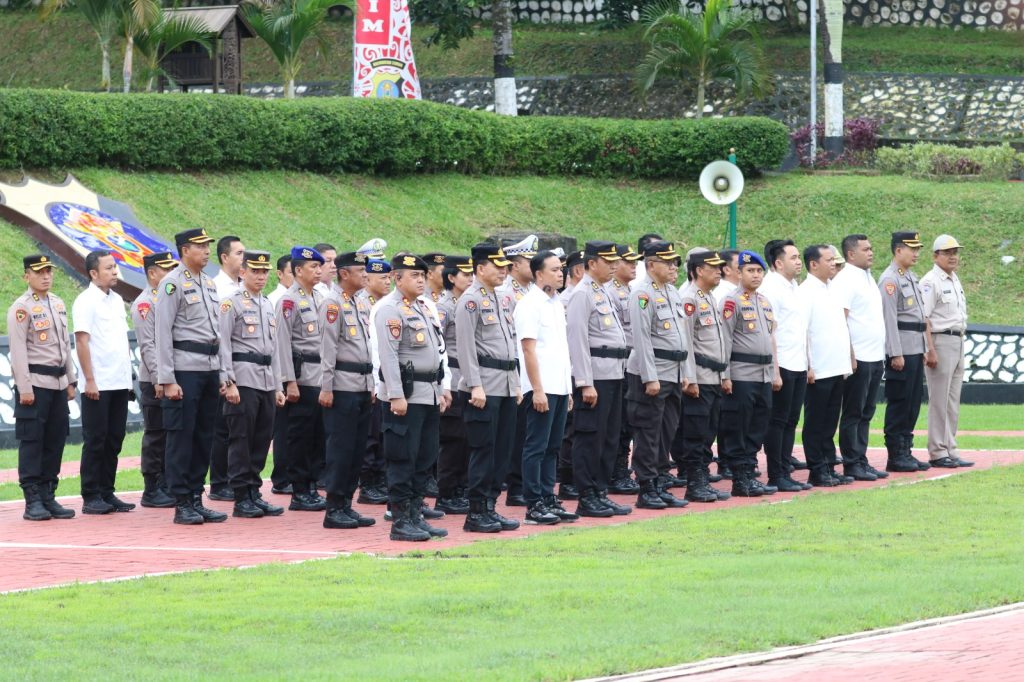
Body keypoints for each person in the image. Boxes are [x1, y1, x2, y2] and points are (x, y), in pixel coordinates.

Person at [155, 228, 228, 525]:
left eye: (208, 245)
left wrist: (223, 373)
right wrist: (167, 378)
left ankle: (196, 496)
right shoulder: (172, 283)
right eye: (201, 246)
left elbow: (218, 334)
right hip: (184, 369)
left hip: (209, 367)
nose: (207, 250)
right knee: (181, 437)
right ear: (185, 250)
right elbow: (162, 331)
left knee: (203, 437)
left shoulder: (209, 283)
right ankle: (182, 501)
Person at [375, 254, 448, 541]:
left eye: (422, 275)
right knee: (402, 457)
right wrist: (396, 395)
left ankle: (416, 514)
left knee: (424, 457)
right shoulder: (389, 310)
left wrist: (440, 391)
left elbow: (436, 352)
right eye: (413, 275)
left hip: (428, 393)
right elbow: (389, 356)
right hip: (406, 395)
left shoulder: (423, 308)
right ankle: (401, 519)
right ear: (397, 278)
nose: (420, 280)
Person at [456, 243, 523, 533]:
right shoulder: (470, 300)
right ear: (480, 268)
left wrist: (517, 383)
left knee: (502, 451)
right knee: (483, 450)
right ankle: (476, 511)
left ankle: (490, 507)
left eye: (505, 266)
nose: (503, 271)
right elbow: (466, 347)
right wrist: (475, 386)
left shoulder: (501, 299)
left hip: (506, 385)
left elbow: (510, 343)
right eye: (497, 266)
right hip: (484, 385)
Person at [8, 254, 78, 521]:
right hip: (35, 385)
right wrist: (24, 388)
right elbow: (18, 352)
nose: (46, 276)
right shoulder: (21, 308)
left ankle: (49, 495)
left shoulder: (58, 303)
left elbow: (64, 346)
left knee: (55, 440)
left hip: (58, 382)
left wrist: (70, 380)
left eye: (49, 271)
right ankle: (33, 499)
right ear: (27, 276)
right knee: (33, 442)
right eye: (39, 272)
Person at [217, 251, 286, 518]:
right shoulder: (230, 303)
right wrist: (228, 381)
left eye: (264, 272)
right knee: (241, 439)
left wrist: (278, 386)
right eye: (255, 271)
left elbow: (274, 348)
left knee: (261, 439)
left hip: (266, 379)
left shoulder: (267, 304)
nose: (260, 277)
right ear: (242, 272)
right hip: (243, 379)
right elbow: (222, 343)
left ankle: (253, 492)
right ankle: (240, 496)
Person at [566, 241, 632, 518]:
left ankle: (601, 491)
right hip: (595, 376)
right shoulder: (582, 294)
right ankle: (587, 495)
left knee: (609, 437)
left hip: (614, 372)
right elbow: (577, 339)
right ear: (592, 264)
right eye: (609, 261)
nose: (615, 265)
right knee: (590, 437)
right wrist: (584, 382)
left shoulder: (603, 292)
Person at [625, 240, 692, 510]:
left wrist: (685, 372)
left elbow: (682, 337)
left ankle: (661, 482)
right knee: (648, 433)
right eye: (668, 262)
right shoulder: (642, 294)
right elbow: (641, 339)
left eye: (675, 261)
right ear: (651, 265)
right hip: (651, 374)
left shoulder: (672, 292)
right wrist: (649, 377)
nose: (674, 266)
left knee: (666, 431)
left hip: (673, 372)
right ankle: (646, 487)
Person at [515, 250, 579, 525]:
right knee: (536, 446)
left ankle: (548, 496)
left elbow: (560, 349)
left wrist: (568, 389)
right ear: (538, 273)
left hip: (559, 386)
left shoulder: (555, 303)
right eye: (554, 269)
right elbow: (528, 350)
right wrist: (537, 389)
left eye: (561, 268)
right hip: (540, 387)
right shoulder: (530, 304)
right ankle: (534, 503)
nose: (560, 273)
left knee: (553, 447)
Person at [317, 251, 378, 529]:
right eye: (360, 270)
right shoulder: (332, 304)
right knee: (340, 449)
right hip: (342, 386)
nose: (366, 274)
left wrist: (373, 383)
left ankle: (347, 504)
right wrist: (326, 387)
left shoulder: (359, 303)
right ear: (344, 274)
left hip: (362, 385)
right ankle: (334, 507)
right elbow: (328, 348)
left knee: (356, 450)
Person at [73, 250, 135, 514]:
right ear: (94, 273)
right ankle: (91, 495)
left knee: (114, 438)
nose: (114, 272)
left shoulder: (117, 299)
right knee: (96, 439)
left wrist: (128, 378)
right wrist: (89, 380)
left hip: (119, 381)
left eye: (115, 267)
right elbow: (82, 341)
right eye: (108, 268)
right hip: (97, 383)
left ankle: (107, 492)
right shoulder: (85, 301)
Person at [720, 250, 780, 497]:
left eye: (759, 271)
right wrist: (725, 375)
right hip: (741, 373)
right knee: (739, 427)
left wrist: (775, 372)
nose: (756, 275)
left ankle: (750, 471)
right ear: (738, 273)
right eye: (750, 271)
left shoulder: (764, 301)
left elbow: (770, 338)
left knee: (758, 426)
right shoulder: (731, 301)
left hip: (763, 374)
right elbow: (723, 339)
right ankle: (740, 478)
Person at [831, 234, 889, 482]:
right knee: (853, 412)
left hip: (875, 355)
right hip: (859, 357)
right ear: (850, 254)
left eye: (871, 247)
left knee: (867, 411)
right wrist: (851, 355)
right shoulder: (845, 280)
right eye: (865, 249)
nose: (871, 252)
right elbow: (841, 319)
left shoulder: (867, 277)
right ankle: (851, 462)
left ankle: (861, 459)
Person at [677, 249, 732, 503]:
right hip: (699, 375)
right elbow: (686, 341)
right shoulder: (689, 298)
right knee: (695, 433)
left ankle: (702, 478)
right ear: (699, 270)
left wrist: (724, 375)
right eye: (714, 267)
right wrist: (690, 378)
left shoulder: (708, 297)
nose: (719, 271)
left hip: (714, 376)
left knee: (708, 432)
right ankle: (694, 483)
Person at [276, 246, 328, 512]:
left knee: (318, 435)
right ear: (297, 271)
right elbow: (282, 343)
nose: (319, 271)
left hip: (321, 377)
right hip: (303, 375)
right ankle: (299, 490)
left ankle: (311, 486)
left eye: (320, 267)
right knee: (300, 436)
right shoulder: (289, 300)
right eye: (313, 267)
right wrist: (289, 381)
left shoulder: (320, 297)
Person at [758, 239, 812, 492]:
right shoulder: (771, 288)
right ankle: (775, 473)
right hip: (782, 365)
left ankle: (784, 470)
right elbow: (771, 333)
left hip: (798, 362)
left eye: (799, 256)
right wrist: (775, 370)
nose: (798, 261)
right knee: (777, 421)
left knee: (790, 421)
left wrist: (808, 363)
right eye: (793, 257)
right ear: (778, 263)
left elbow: (800, 329)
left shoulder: (794, 287)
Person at [879, 231, 934, 473]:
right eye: (912, 248)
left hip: (915, 347)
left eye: (918, 248)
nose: (916, 253)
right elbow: (889, 320)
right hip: (902, 348)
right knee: (900, 401)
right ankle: (896, 454)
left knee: (912, 402)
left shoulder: (909, 276)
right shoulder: (890, 279)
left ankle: (906, 450)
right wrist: (895, 353)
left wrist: (924, 346)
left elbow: (920, 317)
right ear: (898, 250)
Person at [799, 244, 854, 487]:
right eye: (829, 260)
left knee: (830, 420)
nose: (834, 264)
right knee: (816, 421)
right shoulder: (806, 292)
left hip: (836, 365)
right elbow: (803, 332)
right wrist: (809, 364)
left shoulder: (834, 288)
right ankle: (817, 468)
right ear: (813, 264)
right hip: (819, 368)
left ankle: (829, 464)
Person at [920, 234, 973, 469]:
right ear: (935, 255)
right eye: (947, 252)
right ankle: (937, 451)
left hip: (957, 340)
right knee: (939, 400)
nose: (953, 256)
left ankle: (950, 448)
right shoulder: (931, 281)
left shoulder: (953, 278)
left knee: (952, 401)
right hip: (940, 342)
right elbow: (924, 318)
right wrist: (929, 349)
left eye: (955, 252)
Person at [131, 251, 179, 508]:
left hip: (168, 376)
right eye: (166, 269)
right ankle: (152, 487)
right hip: (154, 380)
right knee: (156, 434)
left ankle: (167, 482)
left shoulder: (166, 299)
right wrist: (161, 378)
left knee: (171, 433)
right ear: (152, 273)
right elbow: (148, 346)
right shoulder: (145, 304)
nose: (171, 274)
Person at [496, 234, 538, 507]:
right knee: (517, 432)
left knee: (531, 431)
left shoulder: (535, 294)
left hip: (531, 370)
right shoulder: (504, 294)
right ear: (514, 265)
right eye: (529, 261)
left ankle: (524, 483)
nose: (534, 267)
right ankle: (515, 487)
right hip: (514, 372)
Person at [435, 255, 474, 515]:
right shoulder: (444, 307)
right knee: (453, 438)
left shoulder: (466, 303)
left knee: (467, 439)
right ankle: (446, 492)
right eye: (465, 274)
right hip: (452, 374)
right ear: (451, 278)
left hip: (467, 377)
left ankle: (460, 487)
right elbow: (438, 344)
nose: (470, 278)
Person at [209, 235, 245, 502]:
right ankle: (220, 483)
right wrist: (225, 374)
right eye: (239, 253)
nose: (243, 258)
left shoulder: (242, 287)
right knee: (221, 430)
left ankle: (237, 480)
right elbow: (219, 335)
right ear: (224, 257)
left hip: (245, 368)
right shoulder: (217, 288)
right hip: (225, 366)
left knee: (240, 430)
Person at [357, 256, 393, 505]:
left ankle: (379, 478)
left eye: (390, 277)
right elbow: (367, 346)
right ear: (367, 279)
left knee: (382, 433)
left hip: (384, 376)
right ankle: (368, 483)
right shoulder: (362, 304)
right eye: (382, 278)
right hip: (370, 376)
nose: (387, 282)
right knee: (370, 435)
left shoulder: (387, 304)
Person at [606, 244, 642, 495]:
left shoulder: (631, 291)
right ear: (614, 264)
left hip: (632, 362)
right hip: (618, 362)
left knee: (629, 422)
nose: (633, 266)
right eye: (628, 262)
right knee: (617, 423)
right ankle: (615, 472)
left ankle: (621, 469)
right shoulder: (609, 292)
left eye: (635, 262)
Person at [268, 254, 294, 495]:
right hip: (285, 372)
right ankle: (282, 477)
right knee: (284, 429)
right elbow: (281, 344)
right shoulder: (277, 300)